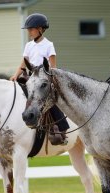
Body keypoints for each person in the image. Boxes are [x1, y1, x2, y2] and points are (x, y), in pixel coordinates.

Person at [10, 13, 69, 145]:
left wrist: (48, 79)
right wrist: (15, 75)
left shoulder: (49, 45)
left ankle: (62, 130)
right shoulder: (28, 46)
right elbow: (23, 64)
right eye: (28, 29)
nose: (29, 32)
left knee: (50, 101)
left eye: (31, 29)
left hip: (44, 78)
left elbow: (53, 67)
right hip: (31, 78)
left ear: (40, 29)